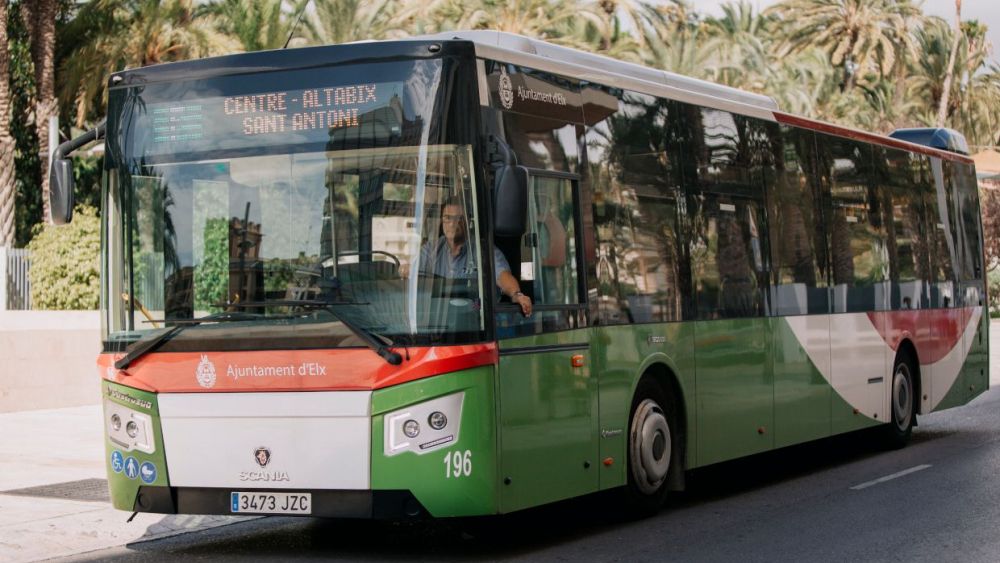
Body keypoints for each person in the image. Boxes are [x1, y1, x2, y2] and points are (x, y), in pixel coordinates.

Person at [410, 200, 532, 317]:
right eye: (447, 218)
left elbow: (502, 276)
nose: (452, 224)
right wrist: (406, 270)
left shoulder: (483, 250)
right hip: (438, 319)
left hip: (475, 321)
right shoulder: (432, 248)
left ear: (468, 221)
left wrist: (517, 294)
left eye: (459, 218)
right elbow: (412, 271)